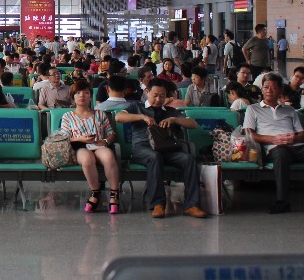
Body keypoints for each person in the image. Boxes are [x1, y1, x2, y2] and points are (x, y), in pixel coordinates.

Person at [242, 73, 304, 214]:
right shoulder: (253, 109)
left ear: (280, 91)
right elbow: (249, 134)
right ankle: (282, 201)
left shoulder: (289, 110)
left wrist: (293, 138)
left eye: (273, 88)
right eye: (265, 87)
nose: (268, 91)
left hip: (297, 146)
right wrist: (273, 139)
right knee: (280, 153)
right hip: (275, 147)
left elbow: (302, 135)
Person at [116, 79, 206, 219]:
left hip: (168, 149)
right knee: (154, 157)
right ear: (147, 92)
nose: (158, 99)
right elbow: (119, 117)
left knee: (188, 158)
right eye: (155, 95)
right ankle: (158, 204)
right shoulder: (137, 107)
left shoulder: (171, 111)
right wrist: (142, 117)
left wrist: (174, 120)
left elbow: (192, 124)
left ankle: (192, 205)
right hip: (143, 149)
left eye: (162, 96)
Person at [59, 80, 120, 214]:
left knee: (108, 156)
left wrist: (105, 141)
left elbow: (111, 134)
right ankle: (95, 193)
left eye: (86, 93)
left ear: (90, 96)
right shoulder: (68, 116)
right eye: (78, 93)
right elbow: (64, 137)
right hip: (80, 147)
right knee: (87, 159)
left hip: (98, 145)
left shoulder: (99, 114)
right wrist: (80, 139)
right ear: (73, 97)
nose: (82, 96)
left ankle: (114, 194)